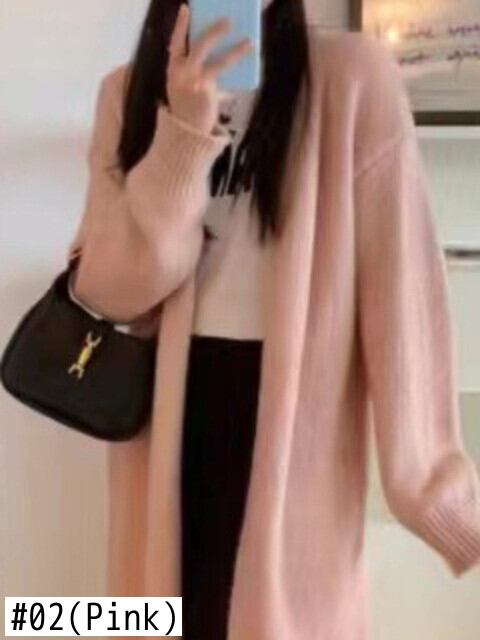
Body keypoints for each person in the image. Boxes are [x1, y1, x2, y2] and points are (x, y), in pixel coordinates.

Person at [67, 1, 480, 639]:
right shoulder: (127, 95)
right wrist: (183, 133)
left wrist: (440, 497)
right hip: (164, 431)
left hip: (293, 439)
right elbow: (109, 292)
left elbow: (402, 296)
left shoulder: (352, 80)